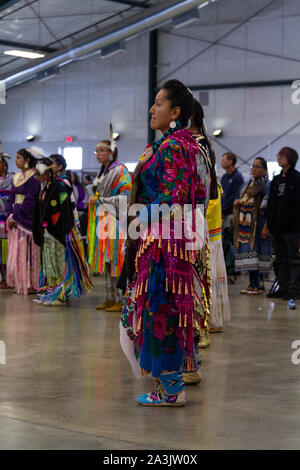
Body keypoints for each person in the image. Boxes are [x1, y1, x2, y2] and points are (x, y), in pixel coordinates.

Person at [121, 79, 206, 407]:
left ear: (175, 111)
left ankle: (171, 390)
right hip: (167, 243)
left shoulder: (174, 146)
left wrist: (137, 217)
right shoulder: (179, 143)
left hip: (164, 247)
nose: (151, 109)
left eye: (159, 103)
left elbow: (173, 198)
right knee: (163, 310)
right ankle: (171, 385)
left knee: (160, 310)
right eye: (153, 102)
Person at [32, 158, 92, 305]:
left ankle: (61, 295)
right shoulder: (42, 188)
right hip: (46, 232)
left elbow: (65, 210)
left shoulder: (59, 187)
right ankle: (51, 293)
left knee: (59, 264)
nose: (36, 177)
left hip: (57, 232)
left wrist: (59, 229)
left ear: (47, 173)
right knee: (49, 263)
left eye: (38, 174)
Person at [88, 137, 131, 312]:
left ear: (111, 152)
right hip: (102, 220)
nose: (98, 154)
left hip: (116, 220)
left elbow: (126, 197)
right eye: (97, 151)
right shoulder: (104, 172)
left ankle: (121, 299)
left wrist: (101, 200)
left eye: (102, 150)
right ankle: (109, 296)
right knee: (106, 258)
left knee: (116, 259)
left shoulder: (120, 170)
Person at [5, 147, 42, 295]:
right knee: (19, 254)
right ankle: (21, 283)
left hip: (27, 221)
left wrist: (16, 213)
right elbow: (10, 198)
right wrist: (10, 214)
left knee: (30, 254)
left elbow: (31, 201)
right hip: (16, 219)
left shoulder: (34, 178)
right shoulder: (18, 176)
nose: (16, 160)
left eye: (19, 157)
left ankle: (32, 283)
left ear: (27, 160)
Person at [233, 157, 272, 294]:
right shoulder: (248, 184)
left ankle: (259, 286)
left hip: (259, 226)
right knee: (250, 255)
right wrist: (238, 202)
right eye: (253, 166)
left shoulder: (267, 185)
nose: (254, 169)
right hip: (247, 228)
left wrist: (266, 226)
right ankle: (252, 284)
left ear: (265, 170)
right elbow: (238, 197)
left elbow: (269, 207)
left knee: (259, 255)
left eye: (257, 167)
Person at [266, 147, 300, 300]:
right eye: (278, 155)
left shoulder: (297, 179)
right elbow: (271, 203)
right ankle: (283, 286)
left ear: (290, 159)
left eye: (282, 156)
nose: (279, 157)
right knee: (280, 259)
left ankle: (294, 288)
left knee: (293, 259)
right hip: (277, 228)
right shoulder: (276, 180)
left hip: (292, 228)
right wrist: (269, 224)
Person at [0, 152, 13, 288]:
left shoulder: (13, 178)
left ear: (4, 164)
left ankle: (9, 278)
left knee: (8, 249)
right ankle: (3, 278)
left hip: (8, 218)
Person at [221, 152, 244, 217]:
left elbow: (235, 196)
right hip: (223, 212)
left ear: (230, 162)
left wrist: (223, 209)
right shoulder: (224, 177)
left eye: (223, 160)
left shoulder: (237, 177)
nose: (221, 162)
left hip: (232, 213)